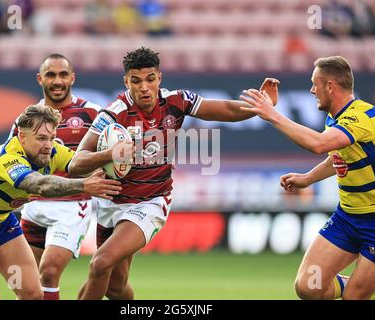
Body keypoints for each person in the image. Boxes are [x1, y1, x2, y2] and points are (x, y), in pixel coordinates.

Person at [67, 47, 279, 300]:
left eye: (150, 79)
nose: (144, 87)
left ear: (160, 78)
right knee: (115, 287)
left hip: (150, 201)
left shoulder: (177, 102)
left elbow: (228, 111)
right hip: (111, 203)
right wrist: (110, 154)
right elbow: (75, 164)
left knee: (100, 263)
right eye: (136, 81)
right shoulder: (114, 114)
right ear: (126, 82)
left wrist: (261, 107)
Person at [239, 55, 375, 300]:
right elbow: (339, 156)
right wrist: (308, 178)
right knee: (308, 286)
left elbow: (319, 144)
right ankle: (371, 284)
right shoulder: (336, 118)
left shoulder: (362, 116)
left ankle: (369, 287)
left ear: (330, 86)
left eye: (314, 84)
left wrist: (271, 115)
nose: (311, 90)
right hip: (347, 218)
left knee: (354, 298)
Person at [0, 104, 121, 300]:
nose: (48, 145)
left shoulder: (52, 152)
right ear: (22, 137)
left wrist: (112, 162)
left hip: (1, 226)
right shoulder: (7, 159)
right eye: (41, 138)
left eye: (51, 138)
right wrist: (84, 186)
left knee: (33, 294)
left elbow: (80, 166)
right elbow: (38, 185)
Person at [8, 53, 102, 300]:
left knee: (48, 272)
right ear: (40, 79)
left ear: (72, 77)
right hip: (34, 204)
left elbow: (113, 151)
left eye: (63, 74)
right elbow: (9, 159)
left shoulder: (92, 113)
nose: (57, 81)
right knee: (26, 284)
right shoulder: (26, 120)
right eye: (51, 75)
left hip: (72, 206)